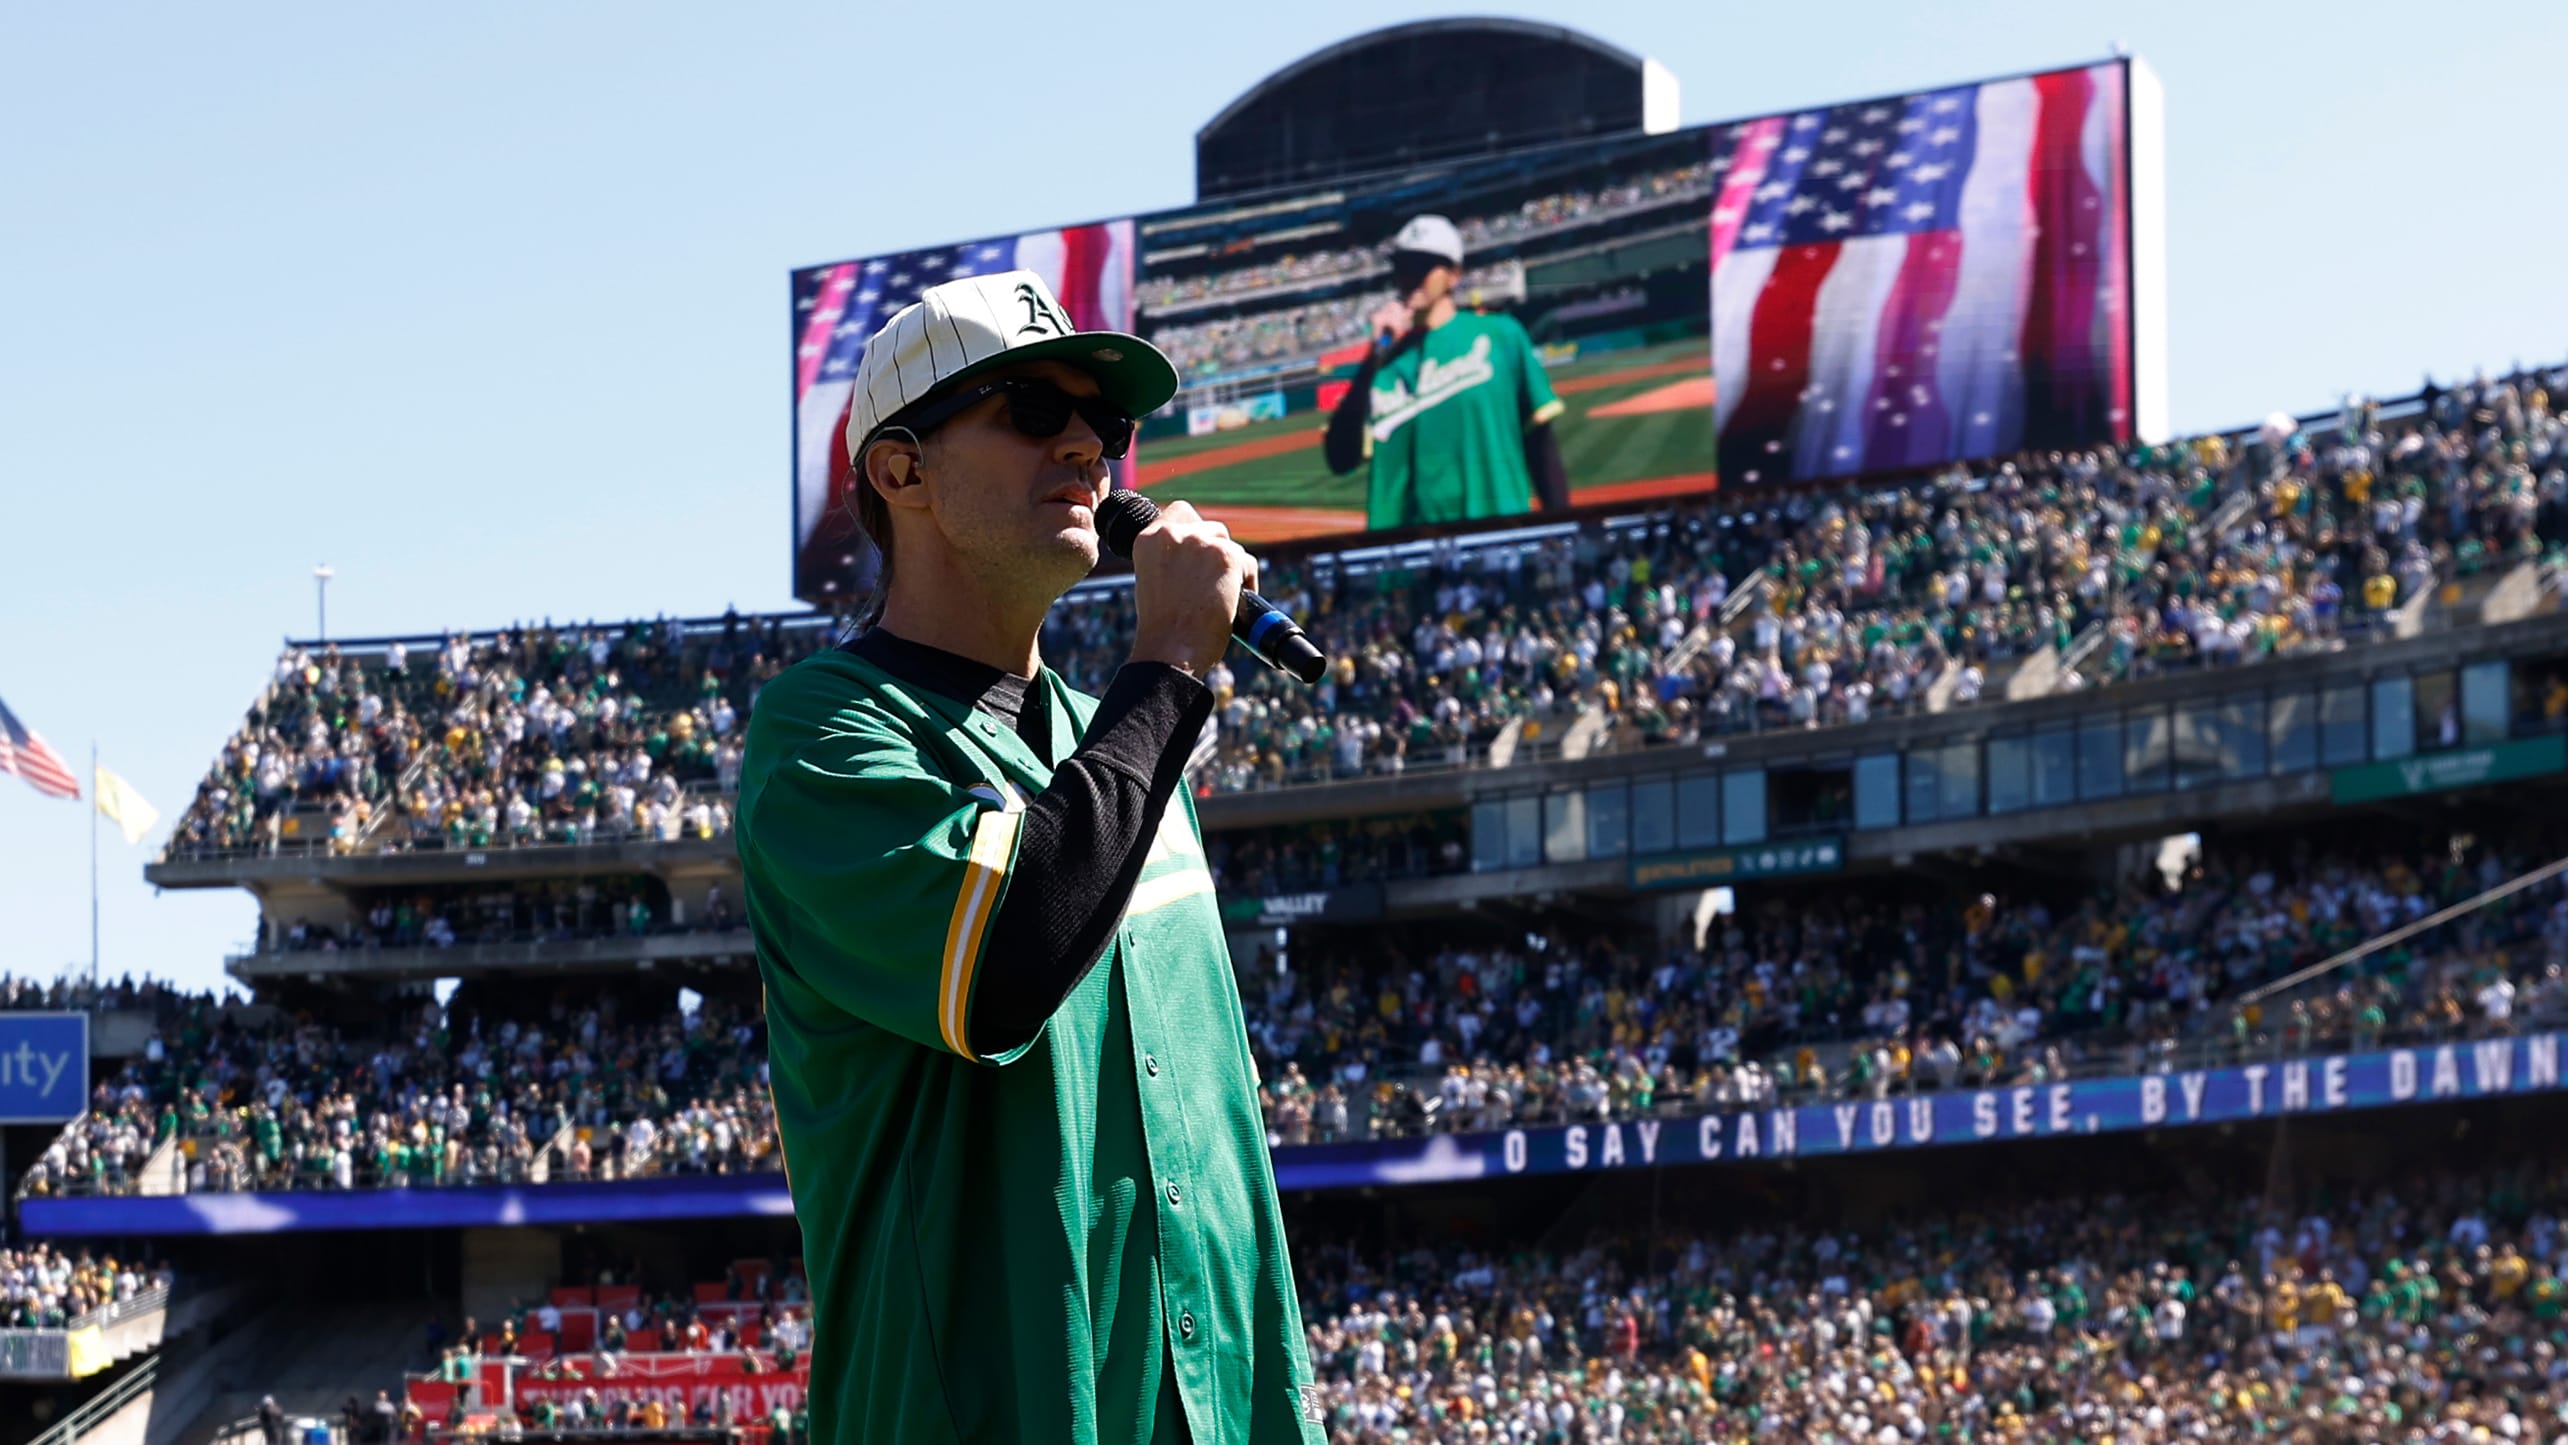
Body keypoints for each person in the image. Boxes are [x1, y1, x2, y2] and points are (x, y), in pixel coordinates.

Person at [740, 269, 1324, 1444]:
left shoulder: (1120, 734)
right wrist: (1166, 661)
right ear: (899, 469)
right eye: (1031, 410)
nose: (1085, 445)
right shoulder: (824, 729)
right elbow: (1003, 967)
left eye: (1104, 423)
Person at [1323, 214, 1569, 530]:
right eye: (1403, 265)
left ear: (1454, 275)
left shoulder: (1500, 335)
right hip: (1406, 558)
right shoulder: (1383, 366)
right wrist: (1373, 358)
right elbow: (1340, 458)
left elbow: (1540, 445)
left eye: (1424, 265)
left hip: (1499, 537)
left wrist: (1565, 526)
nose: (1410, 275)